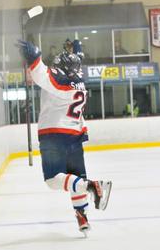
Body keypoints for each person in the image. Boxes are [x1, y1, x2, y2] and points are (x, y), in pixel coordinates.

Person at [17, 38, 112, 236]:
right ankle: (82, 217)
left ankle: (92, 186)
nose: (56, 65)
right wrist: (76, 50)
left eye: (59, 64)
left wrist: (34, 56)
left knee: (53, 180)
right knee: (75, 180)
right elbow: (76, 62)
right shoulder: (80, 82)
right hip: (75, 137)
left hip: (54, 135)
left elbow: (42, 75)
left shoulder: (59, 81)